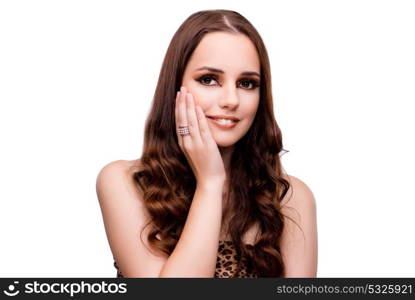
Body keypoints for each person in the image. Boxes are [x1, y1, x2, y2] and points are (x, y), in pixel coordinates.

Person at [96, 9, 317, 278]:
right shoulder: (124, 182)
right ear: (175, 87)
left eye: (247, 83)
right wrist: (210, 183)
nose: (231, 100)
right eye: (209, 80)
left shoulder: (290, 198)